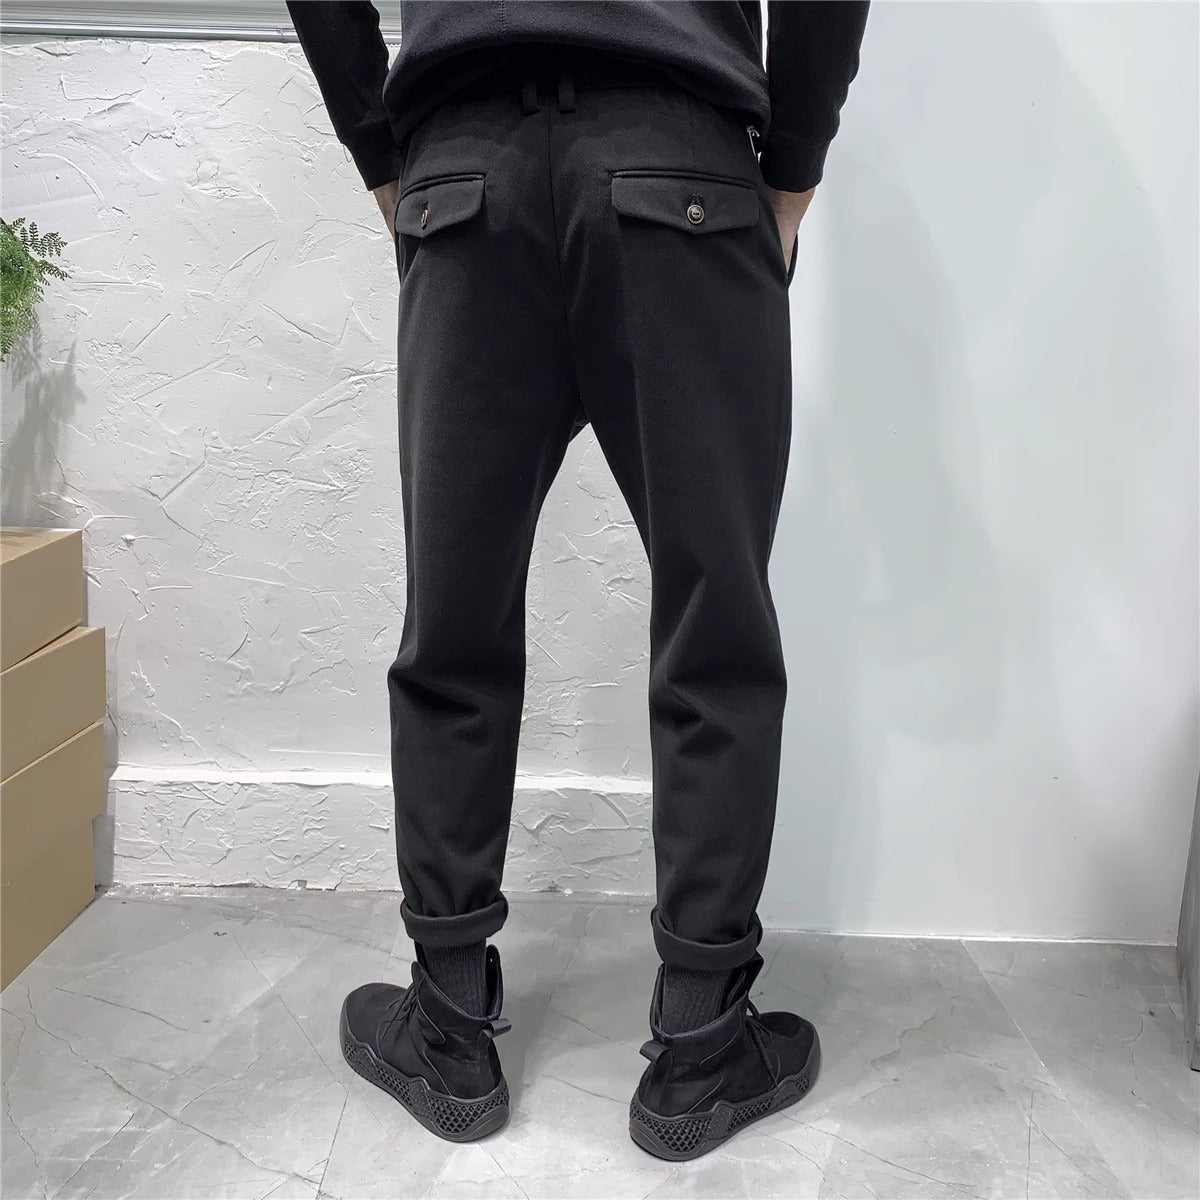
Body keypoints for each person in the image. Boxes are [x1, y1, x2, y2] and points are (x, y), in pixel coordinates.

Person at [286, 0, 868, 1160]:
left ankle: (449, 1027)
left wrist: (382, 151)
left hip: (464, 178)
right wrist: (792, 167)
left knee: (453, 625)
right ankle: (701, 1044)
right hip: (682, 171)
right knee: (715, 629)